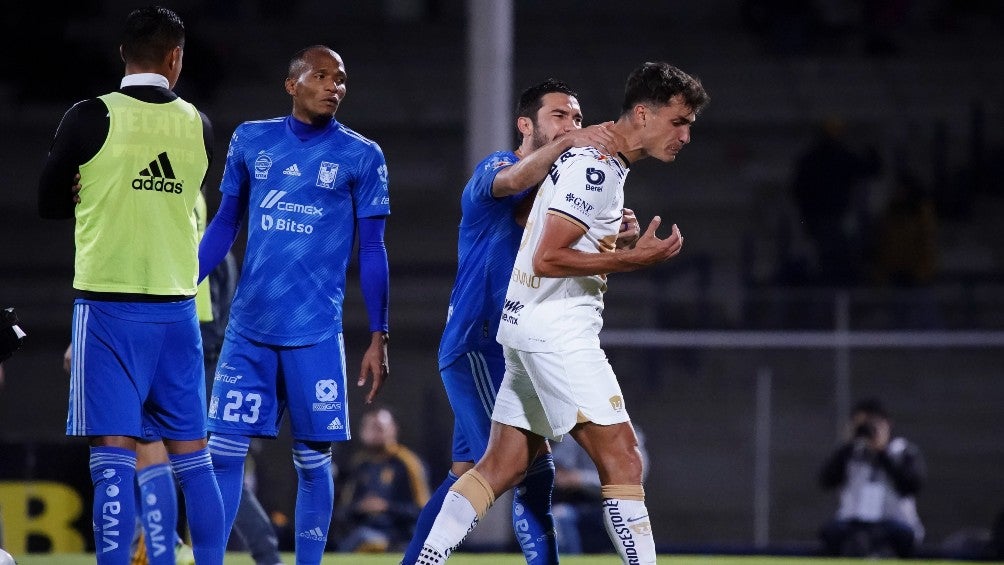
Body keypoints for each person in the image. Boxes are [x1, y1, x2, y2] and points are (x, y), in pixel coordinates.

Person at [415, 61, 710, 565]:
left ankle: (425, 560)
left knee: (498, 467)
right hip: (556, 336)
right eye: (678, 122)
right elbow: (546, 256)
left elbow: (544, 228)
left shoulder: (590, 167)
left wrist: (608, 235)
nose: (685, 135)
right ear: (643, 114)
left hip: (524, 329)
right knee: (623, 457)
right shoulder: (593, 167)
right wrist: (630, 259)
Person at [401, 79, 629, 565]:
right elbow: (514, 183)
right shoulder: (497, 168)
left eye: (577, 117)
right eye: (559, 117)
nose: (572, 125)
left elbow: (566, 253)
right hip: (480, 343)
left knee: (466, 473)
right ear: (526, 124)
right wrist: (570, 146)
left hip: (512, 348)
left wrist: (615, 233)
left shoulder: (562, 193)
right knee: (534, 471)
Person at [36, 6, 226, 565]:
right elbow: (186, 193)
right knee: (194, 459)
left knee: (114, 460)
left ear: (124, 54)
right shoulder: (200, 124)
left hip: (109, 308)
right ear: (176, 58)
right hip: (178, 311)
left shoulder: (87, 117)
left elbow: (48, 203)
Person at [198, 45, 390, 565]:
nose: (335, 86)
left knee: (313, 463)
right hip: (251, 330)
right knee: (222, 455)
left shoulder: (362, 155)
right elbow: (224, 224)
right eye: (322, 76)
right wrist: (183, 284)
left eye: (342, 79)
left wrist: (380, 333)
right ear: (292, 84)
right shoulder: (251, 139)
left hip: (316, 334)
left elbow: (372, 249)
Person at [818, 398, 926, 558]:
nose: (867, 431)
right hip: (854, 521)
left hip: (893, 521)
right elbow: (826, 481)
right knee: (832, 533)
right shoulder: (849, 454)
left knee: (902, 536)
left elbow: (911, 485)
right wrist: (847, 445)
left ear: (887, 424)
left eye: (872, 425)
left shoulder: (902, 451)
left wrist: (881, 451)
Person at [333, 406, 430, 553]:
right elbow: (345, 509)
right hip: (363, 531)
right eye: (368, 427)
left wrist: (386, 506)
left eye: (378, 427)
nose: (372, 432)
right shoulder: (360, 464)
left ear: (393, 429)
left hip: (398, 537)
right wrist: (361, 507)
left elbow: (424, 510)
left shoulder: (408, 463)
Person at [552, 427, 648, 555]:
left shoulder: (629, 437)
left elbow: (629, 481)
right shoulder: (577, 433)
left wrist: (581, 479)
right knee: (558, 516)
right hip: (579, 503)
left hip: (620, 505)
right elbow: (558, 471)